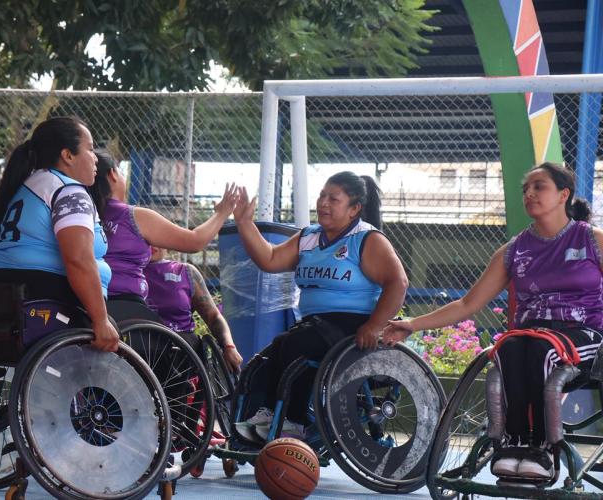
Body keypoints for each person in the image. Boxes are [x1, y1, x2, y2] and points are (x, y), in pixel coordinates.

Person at [384, 161, 603, 480]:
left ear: (562, 194)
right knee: (508, 347)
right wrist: (412, 324)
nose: (529, 193)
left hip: (583, 337)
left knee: (541, 351)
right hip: (530, 337)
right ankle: (513, 443)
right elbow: (468, 303)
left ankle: (541, 449)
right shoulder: (514, 250)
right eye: (525, 189)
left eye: (539, 187)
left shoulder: (591, 240)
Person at [232, 171, 408, 441]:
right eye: (322, 196)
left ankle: (294, 422)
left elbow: (398, 282)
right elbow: (269, 258)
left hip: (353, 324)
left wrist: (374, 326)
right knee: (265, 358)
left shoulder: (366, 240)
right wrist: (245, 223)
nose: (324, 203)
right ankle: (265, 415)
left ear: (354, 209)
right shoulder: (310, 237)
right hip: (315, 325)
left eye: (333, 199)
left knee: (296, 347)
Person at [0, 116, 118, 352]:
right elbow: (78, 260)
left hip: (2, 292)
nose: (96, 157)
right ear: (68, 155)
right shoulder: (69, 191)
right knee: (112, 342)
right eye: (89, 149)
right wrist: (101, 321)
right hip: (45, 298)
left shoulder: (28, 184)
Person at [88, 150, 238, 318]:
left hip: (87, 303)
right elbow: (195, 241)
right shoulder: (135, 217)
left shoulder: (82, 215)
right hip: (127, 310)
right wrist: (222, 213)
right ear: (113, 175)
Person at [144, 246, 243, 373]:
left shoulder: (185, 272)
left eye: (158, 238)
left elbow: (213, 316)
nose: (153, 244)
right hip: (141, 350)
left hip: (183, 352)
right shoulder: (127, 273)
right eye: (147, 237)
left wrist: (229, 346)